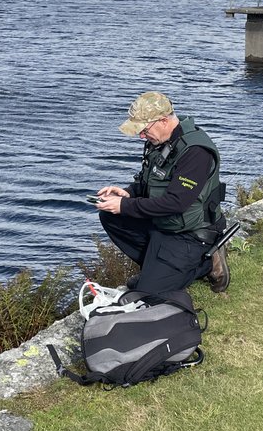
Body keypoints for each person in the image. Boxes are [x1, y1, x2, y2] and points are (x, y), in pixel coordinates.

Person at [93, 91, 230, 296]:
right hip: (164, 224)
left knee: (148, 293)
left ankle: (207, 262)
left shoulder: (196, 152)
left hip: (190, 233)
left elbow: (176, 203)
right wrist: (128, 193)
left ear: (164, 121)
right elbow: (149, 181)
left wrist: (125, 205)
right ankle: (156, 269)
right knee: (110, 215)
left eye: (144, 130)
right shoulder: (159, 140)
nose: (141, 136)